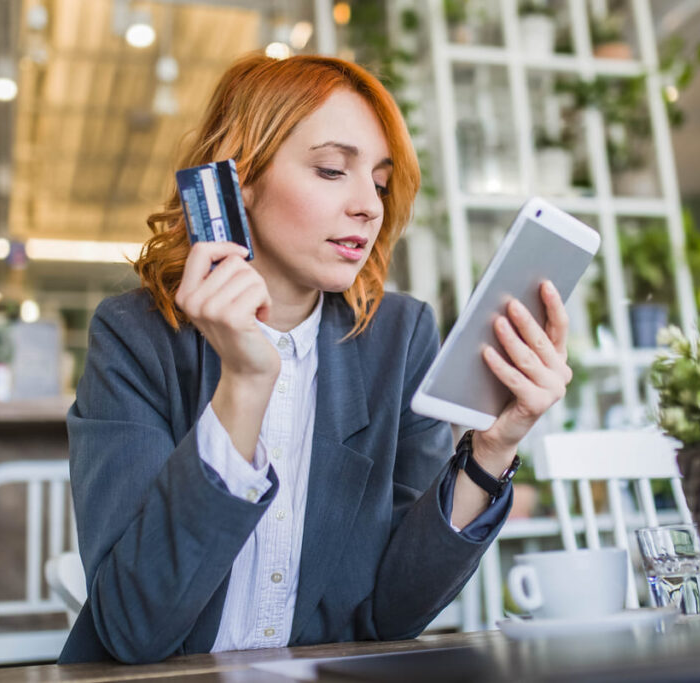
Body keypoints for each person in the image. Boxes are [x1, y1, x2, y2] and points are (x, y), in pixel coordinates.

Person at [60, 53, 573, 664]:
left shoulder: (399, 339)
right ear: (239, 179)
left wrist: (492, 450)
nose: (369, 206)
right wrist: (246, 383)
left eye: (380, 183)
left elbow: (395, 615)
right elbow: (132, 628)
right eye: (333, 170)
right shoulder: (136, 337)